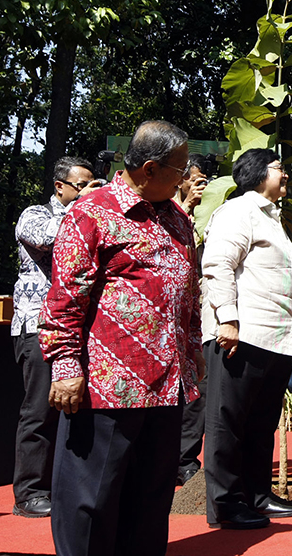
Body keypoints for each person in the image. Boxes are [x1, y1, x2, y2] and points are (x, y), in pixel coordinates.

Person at [40, 120, 203, 556]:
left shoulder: (177, 217)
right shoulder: (92, 212)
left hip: (167, 387)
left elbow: (189, 289)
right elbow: (64, 299)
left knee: (150, 504)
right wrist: (66, 367)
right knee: (90, 500)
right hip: (108, 387)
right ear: (149, 169)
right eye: (180, 169)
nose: (186, 178)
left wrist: (191, 352)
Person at [201, 149, 292, 530]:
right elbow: (218, 264)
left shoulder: (274, 218)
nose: (286, 174)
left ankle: (257, 494)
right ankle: (226, 503)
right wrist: (227, 318)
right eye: (280, 168)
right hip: (242, 333)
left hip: (275, 338)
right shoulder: (237, 211)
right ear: (259, 174)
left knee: (261, 422)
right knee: (228, 421)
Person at [11, 157, 100, 518]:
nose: (88, 190)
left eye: (93, 184)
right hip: (37, 326)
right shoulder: (34, 214)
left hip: (81, 328)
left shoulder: (91, 214)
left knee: (79, 409)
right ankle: (29, 492)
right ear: (59, 186)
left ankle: (67, 486)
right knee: (40, 410)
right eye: (81, 185)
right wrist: (85, 206)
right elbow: (49, 238)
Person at [175, 152, 215, 486]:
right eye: (197, 179)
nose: (202, 186)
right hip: (162, 317)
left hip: (199, 315)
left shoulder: (214, 212)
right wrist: (186, 206)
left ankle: (186, 458)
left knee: (197, 388)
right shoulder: (165, 212)